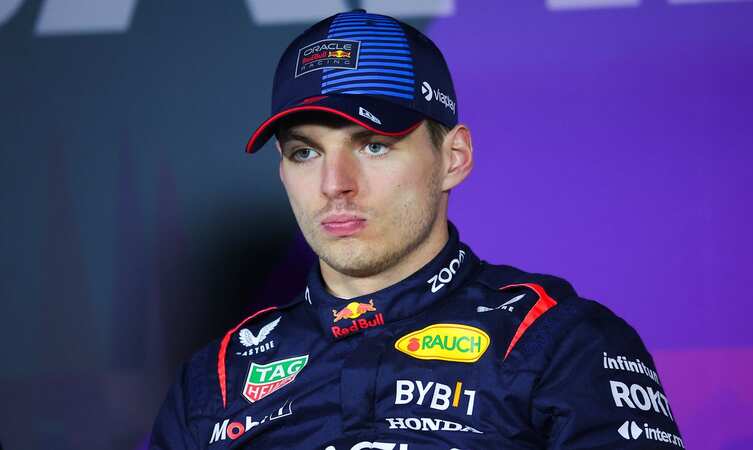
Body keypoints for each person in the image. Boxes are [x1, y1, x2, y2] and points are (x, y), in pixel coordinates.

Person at [151, 9, 683, 450]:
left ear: (453, 157)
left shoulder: (558, 342)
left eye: (374, 145)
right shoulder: (218, 377)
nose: (335, 184)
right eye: (305, 151)